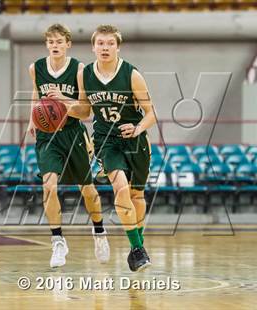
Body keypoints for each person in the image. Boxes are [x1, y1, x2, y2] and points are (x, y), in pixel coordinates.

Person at [27, 24, 110, 268]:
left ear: (67, 44)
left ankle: (99, 232)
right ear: (47, 45)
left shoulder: (79, 69)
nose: (54, 45)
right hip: (47, 137)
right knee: (49, 186)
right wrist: (32, 118)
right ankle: (58, 241)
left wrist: (62, 99)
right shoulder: (36, 68)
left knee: (88, 190)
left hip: (73, 133)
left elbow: (85, 110)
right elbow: (35, 93)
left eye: (59, 41)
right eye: (50, 41)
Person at [76, 24, 157, 272]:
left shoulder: (132, 74)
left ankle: (137, 247)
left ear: (117, 47)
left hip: (135, 140)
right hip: (106, 141)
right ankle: (138, 249)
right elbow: (84, 109)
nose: (105, 47)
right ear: (93, 47)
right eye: (100, 43)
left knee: (137, 196)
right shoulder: (85, 74)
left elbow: (151, 113)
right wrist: (61, 107)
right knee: (120, 189)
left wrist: (138, 128)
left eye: (110, 43)